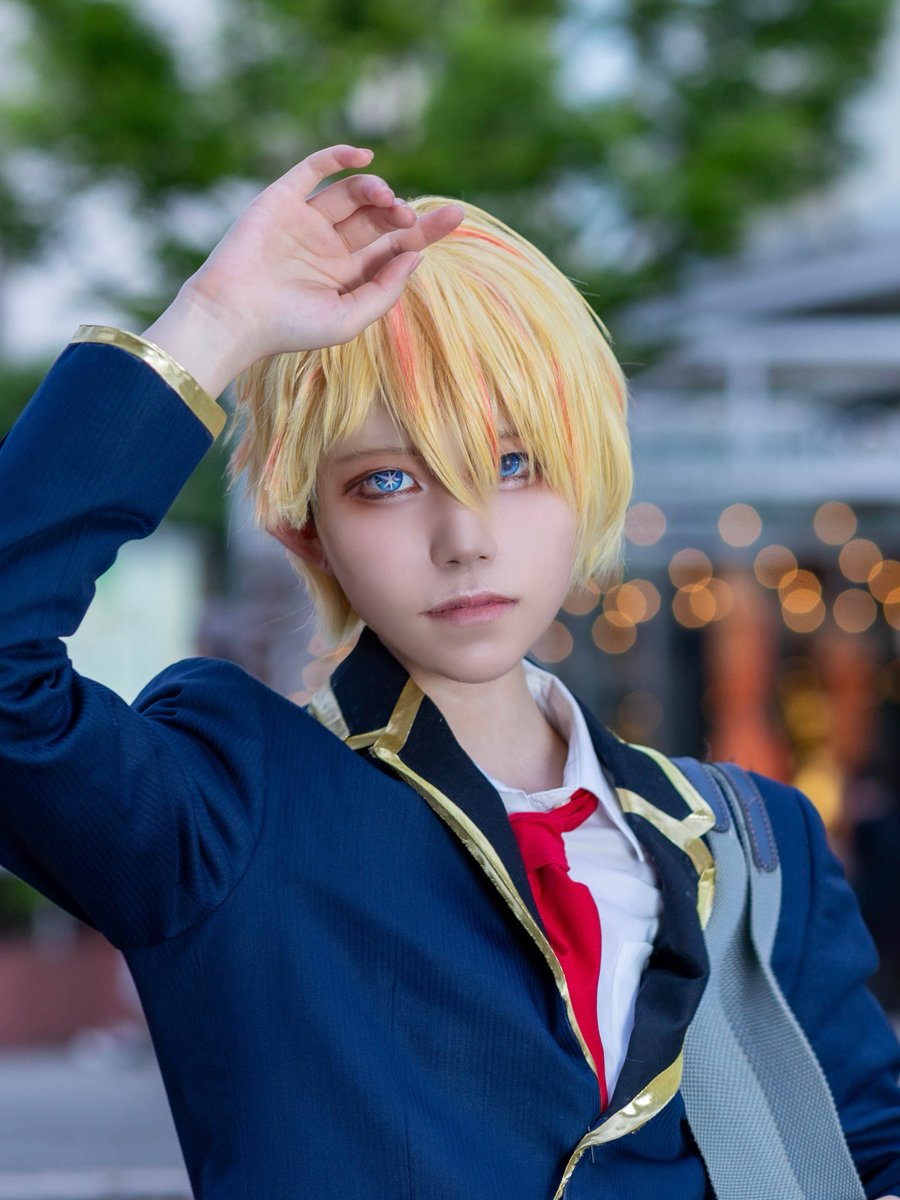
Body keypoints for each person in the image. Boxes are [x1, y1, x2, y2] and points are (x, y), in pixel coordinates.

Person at [0, 143, 898, 1199]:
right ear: (305, 528)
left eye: (516, 464)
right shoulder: (235, 802)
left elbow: (863, 1153)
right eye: (387, 481)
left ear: (589, 477)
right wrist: (214, 319)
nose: (465, 539)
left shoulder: (754, 846)